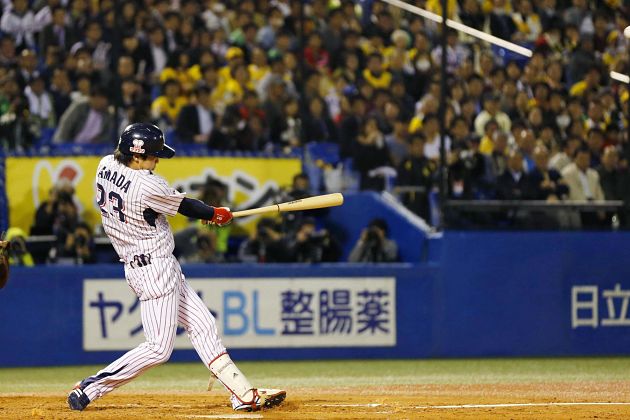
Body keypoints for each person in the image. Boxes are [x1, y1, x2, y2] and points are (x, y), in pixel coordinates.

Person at [67, 123, 285, 412]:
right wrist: (215, 214)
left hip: (152, 263)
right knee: (158, 348)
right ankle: (90, 387)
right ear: (136, 156)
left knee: (204, 326)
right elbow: (185, 206)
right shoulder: (146, 184)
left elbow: (170, 204)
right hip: (152, 268)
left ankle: (242, 394)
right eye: (153, 156)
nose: (157, 161)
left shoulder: (105, 164)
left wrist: (208, 214)